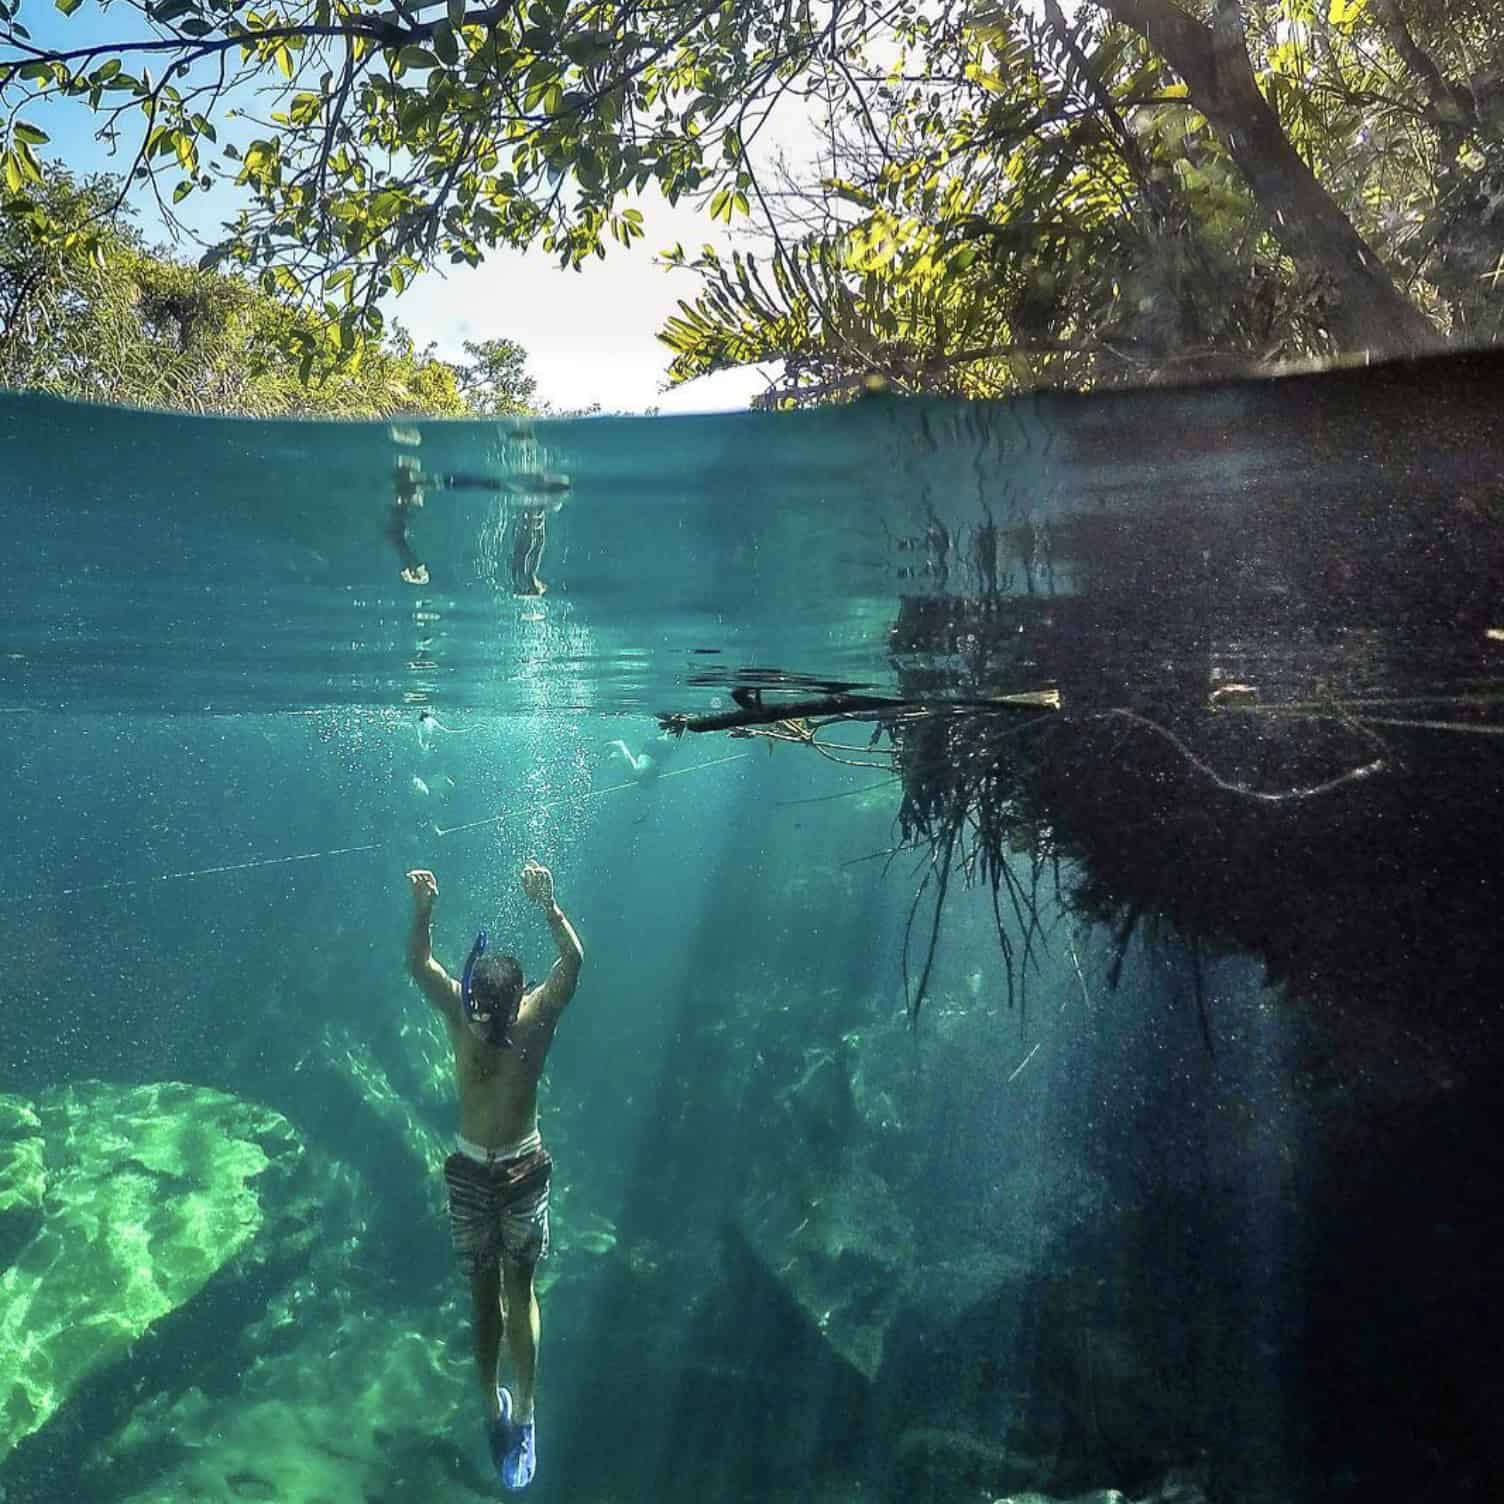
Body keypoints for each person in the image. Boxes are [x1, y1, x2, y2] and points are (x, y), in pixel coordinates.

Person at [404, 861, 584, 1491]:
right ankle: (492, 1410)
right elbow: (419, 965)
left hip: (524, 1168)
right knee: (482, 1298)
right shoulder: (461, 1010)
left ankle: (526, 1413)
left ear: (514, 1002)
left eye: (488, 1014)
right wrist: (424, 908)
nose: (479, 1023)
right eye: (473, 1010)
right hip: (468, 1173)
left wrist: (549, 907)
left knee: (518, 1292)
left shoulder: (536, 1016)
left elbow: (574, 964)